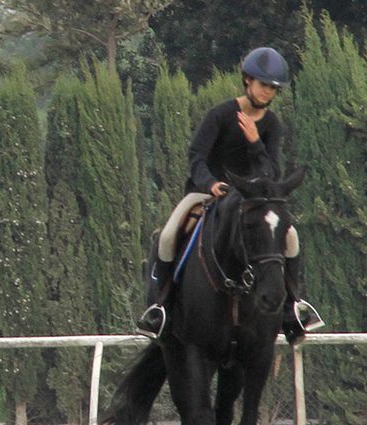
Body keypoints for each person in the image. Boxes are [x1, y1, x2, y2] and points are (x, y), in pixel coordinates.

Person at [135, 47, 322, 343]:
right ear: (247, 80)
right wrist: (209, 183)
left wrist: (255, 141)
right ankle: (159, 307)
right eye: (263, 85)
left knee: (291, 237)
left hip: (252, 202)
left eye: (273, 88)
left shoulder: (271, 125)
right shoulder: (220, 114)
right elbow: (197, 154)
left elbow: (271, 171)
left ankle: (293, 306)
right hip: (210, 195)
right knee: (168, 235)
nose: (267, 92)